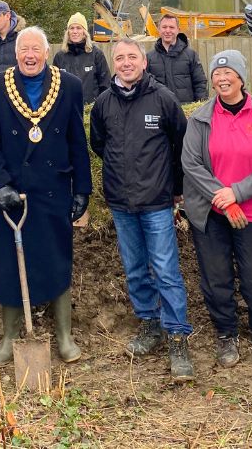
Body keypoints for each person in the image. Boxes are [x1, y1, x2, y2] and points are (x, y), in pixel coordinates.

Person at [0, 26, 93, 365]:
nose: (30, 55)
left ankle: (64, 336)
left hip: (53, 188)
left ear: (46, 52)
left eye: (36, 49)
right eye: (23, 49)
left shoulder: (69, 86)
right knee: (9, 263)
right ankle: (10, 336)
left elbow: (77, 140)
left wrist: (82, 189)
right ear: (16, 55)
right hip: (13, 192)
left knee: (57, 258)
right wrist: (0, 185)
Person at [89, 39, 194, 381]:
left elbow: (181, 144)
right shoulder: (103, 103)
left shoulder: (163, 99)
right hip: (121, 202)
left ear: (144, 62)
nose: (126, 62)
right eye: (119, 58)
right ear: (113, 64)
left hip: (157, 202)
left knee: (165, 269)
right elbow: (99, 144)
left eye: (132, 57)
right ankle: (150, 325)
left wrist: (176, 189)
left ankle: (177, 335)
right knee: (135, 269)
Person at [182, 50, 252, 368]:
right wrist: (222, 199)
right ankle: (226, 335)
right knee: (217, 278)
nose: (222, 78)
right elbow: (191, 163)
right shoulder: (201, 118)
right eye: (216, 73)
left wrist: (237, 193)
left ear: (242, 77)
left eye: (229, 73)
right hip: (212, 214)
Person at [146, 14, 207, 103]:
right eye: (164, 27)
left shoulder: (191, 55)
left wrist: (201, 107)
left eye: (171, 27)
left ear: (178, 30)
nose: (167, 30)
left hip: (185, 110)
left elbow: (200, 83)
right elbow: (145, 86)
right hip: (160, 110)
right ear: (159, 29)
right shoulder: (149, 57)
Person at [53, 12, 110, 104]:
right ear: (68, 32)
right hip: (67, 111)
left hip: (91, 111)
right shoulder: (59, 57)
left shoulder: (96, 55)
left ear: (84, 32)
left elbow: (105, 86)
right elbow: (54, 89)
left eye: (79, 28)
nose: (75, 31)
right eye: (72, 28)